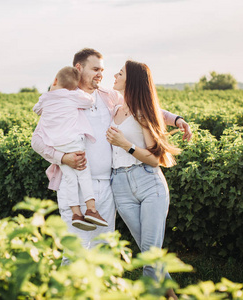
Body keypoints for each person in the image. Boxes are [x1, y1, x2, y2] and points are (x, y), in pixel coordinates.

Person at [31, 48, 192, 265]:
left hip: (108, 185)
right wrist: (63, 158)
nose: (101, 74)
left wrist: (177, 119)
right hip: (74, 185)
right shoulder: (61, 100)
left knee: (104, 250)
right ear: (79, 68)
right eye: (95, 69)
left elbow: (146, 107)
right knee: (75, 250)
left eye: (103, 69)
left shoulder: (109, 97)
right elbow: (38, 142)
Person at [106, 60, 181, 299]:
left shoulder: (142, 113)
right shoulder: (114, 108)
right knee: (150, 254)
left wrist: (125, 145)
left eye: (121, 72)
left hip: (148, 183)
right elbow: (163, 113)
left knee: (149, 255)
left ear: (133, 80)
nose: (115, 75)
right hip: (120, 185)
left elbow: (154, 159)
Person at [33, 66, 108, 231]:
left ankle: (76, 213)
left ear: (55, 81)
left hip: (57, 146)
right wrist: (78, 92)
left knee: (70, 178)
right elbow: (90, 101)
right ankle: (91, 210)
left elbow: (37, 109)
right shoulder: (73, 95)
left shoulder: (45, 98)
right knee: (83, 175)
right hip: (74, 143)